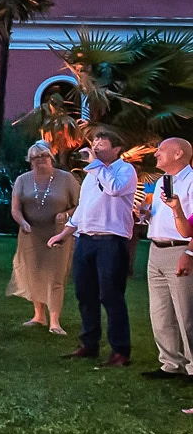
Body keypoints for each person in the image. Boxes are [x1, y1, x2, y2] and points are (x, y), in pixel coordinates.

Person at [47, 126, 139, 366]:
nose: (96, 146)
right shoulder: (92, 173)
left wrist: (97, 165)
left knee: (110, 295)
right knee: (85, 294)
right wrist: (66, 233)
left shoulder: (125, 170)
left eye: (102, 143)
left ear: (117, 148)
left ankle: (120, 350)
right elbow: (83, 208)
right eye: (95, 141)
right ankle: (89, 344)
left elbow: (115, 189)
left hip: (111, 241)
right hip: (86, 240)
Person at [8, 139, 78, 335]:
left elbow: (80, 205)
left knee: (55, 275)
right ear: (30, 161)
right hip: (31, 234)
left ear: (51, 157)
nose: (40, 161)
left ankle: (54, 321)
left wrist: (66, 214)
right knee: (34, 274)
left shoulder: (66, 179)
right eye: (35, 158)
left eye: (44, 156)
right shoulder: (22, 180)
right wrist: (22, 222)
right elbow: (15, 208)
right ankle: (39, 316)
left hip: (58, 234)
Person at [144, 136, 193, 380]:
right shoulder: (163, 181)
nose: (155, 154)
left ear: (178, 154)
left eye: (161, 150)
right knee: (160, 312)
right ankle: (170, 363)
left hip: (180, 250)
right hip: (156, 250)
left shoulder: (192, 182)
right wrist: (144, 214)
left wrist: (189, 252)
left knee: (186, 313)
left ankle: (192, 366)